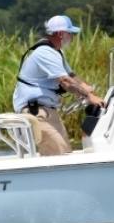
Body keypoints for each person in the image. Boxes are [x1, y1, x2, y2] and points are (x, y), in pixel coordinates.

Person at [12, 15, 105, 156]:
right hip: (37, 112)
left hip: (45, 111)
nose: (72, 37)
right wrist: (89, 96)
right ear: (61, 34)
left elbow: (71, 76)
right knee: (59, 154)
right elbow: (65, 81)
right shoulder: (45, 53)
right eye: (70, 33)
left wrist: (88, 89)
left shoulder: (55, 52)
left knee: (64, 151)